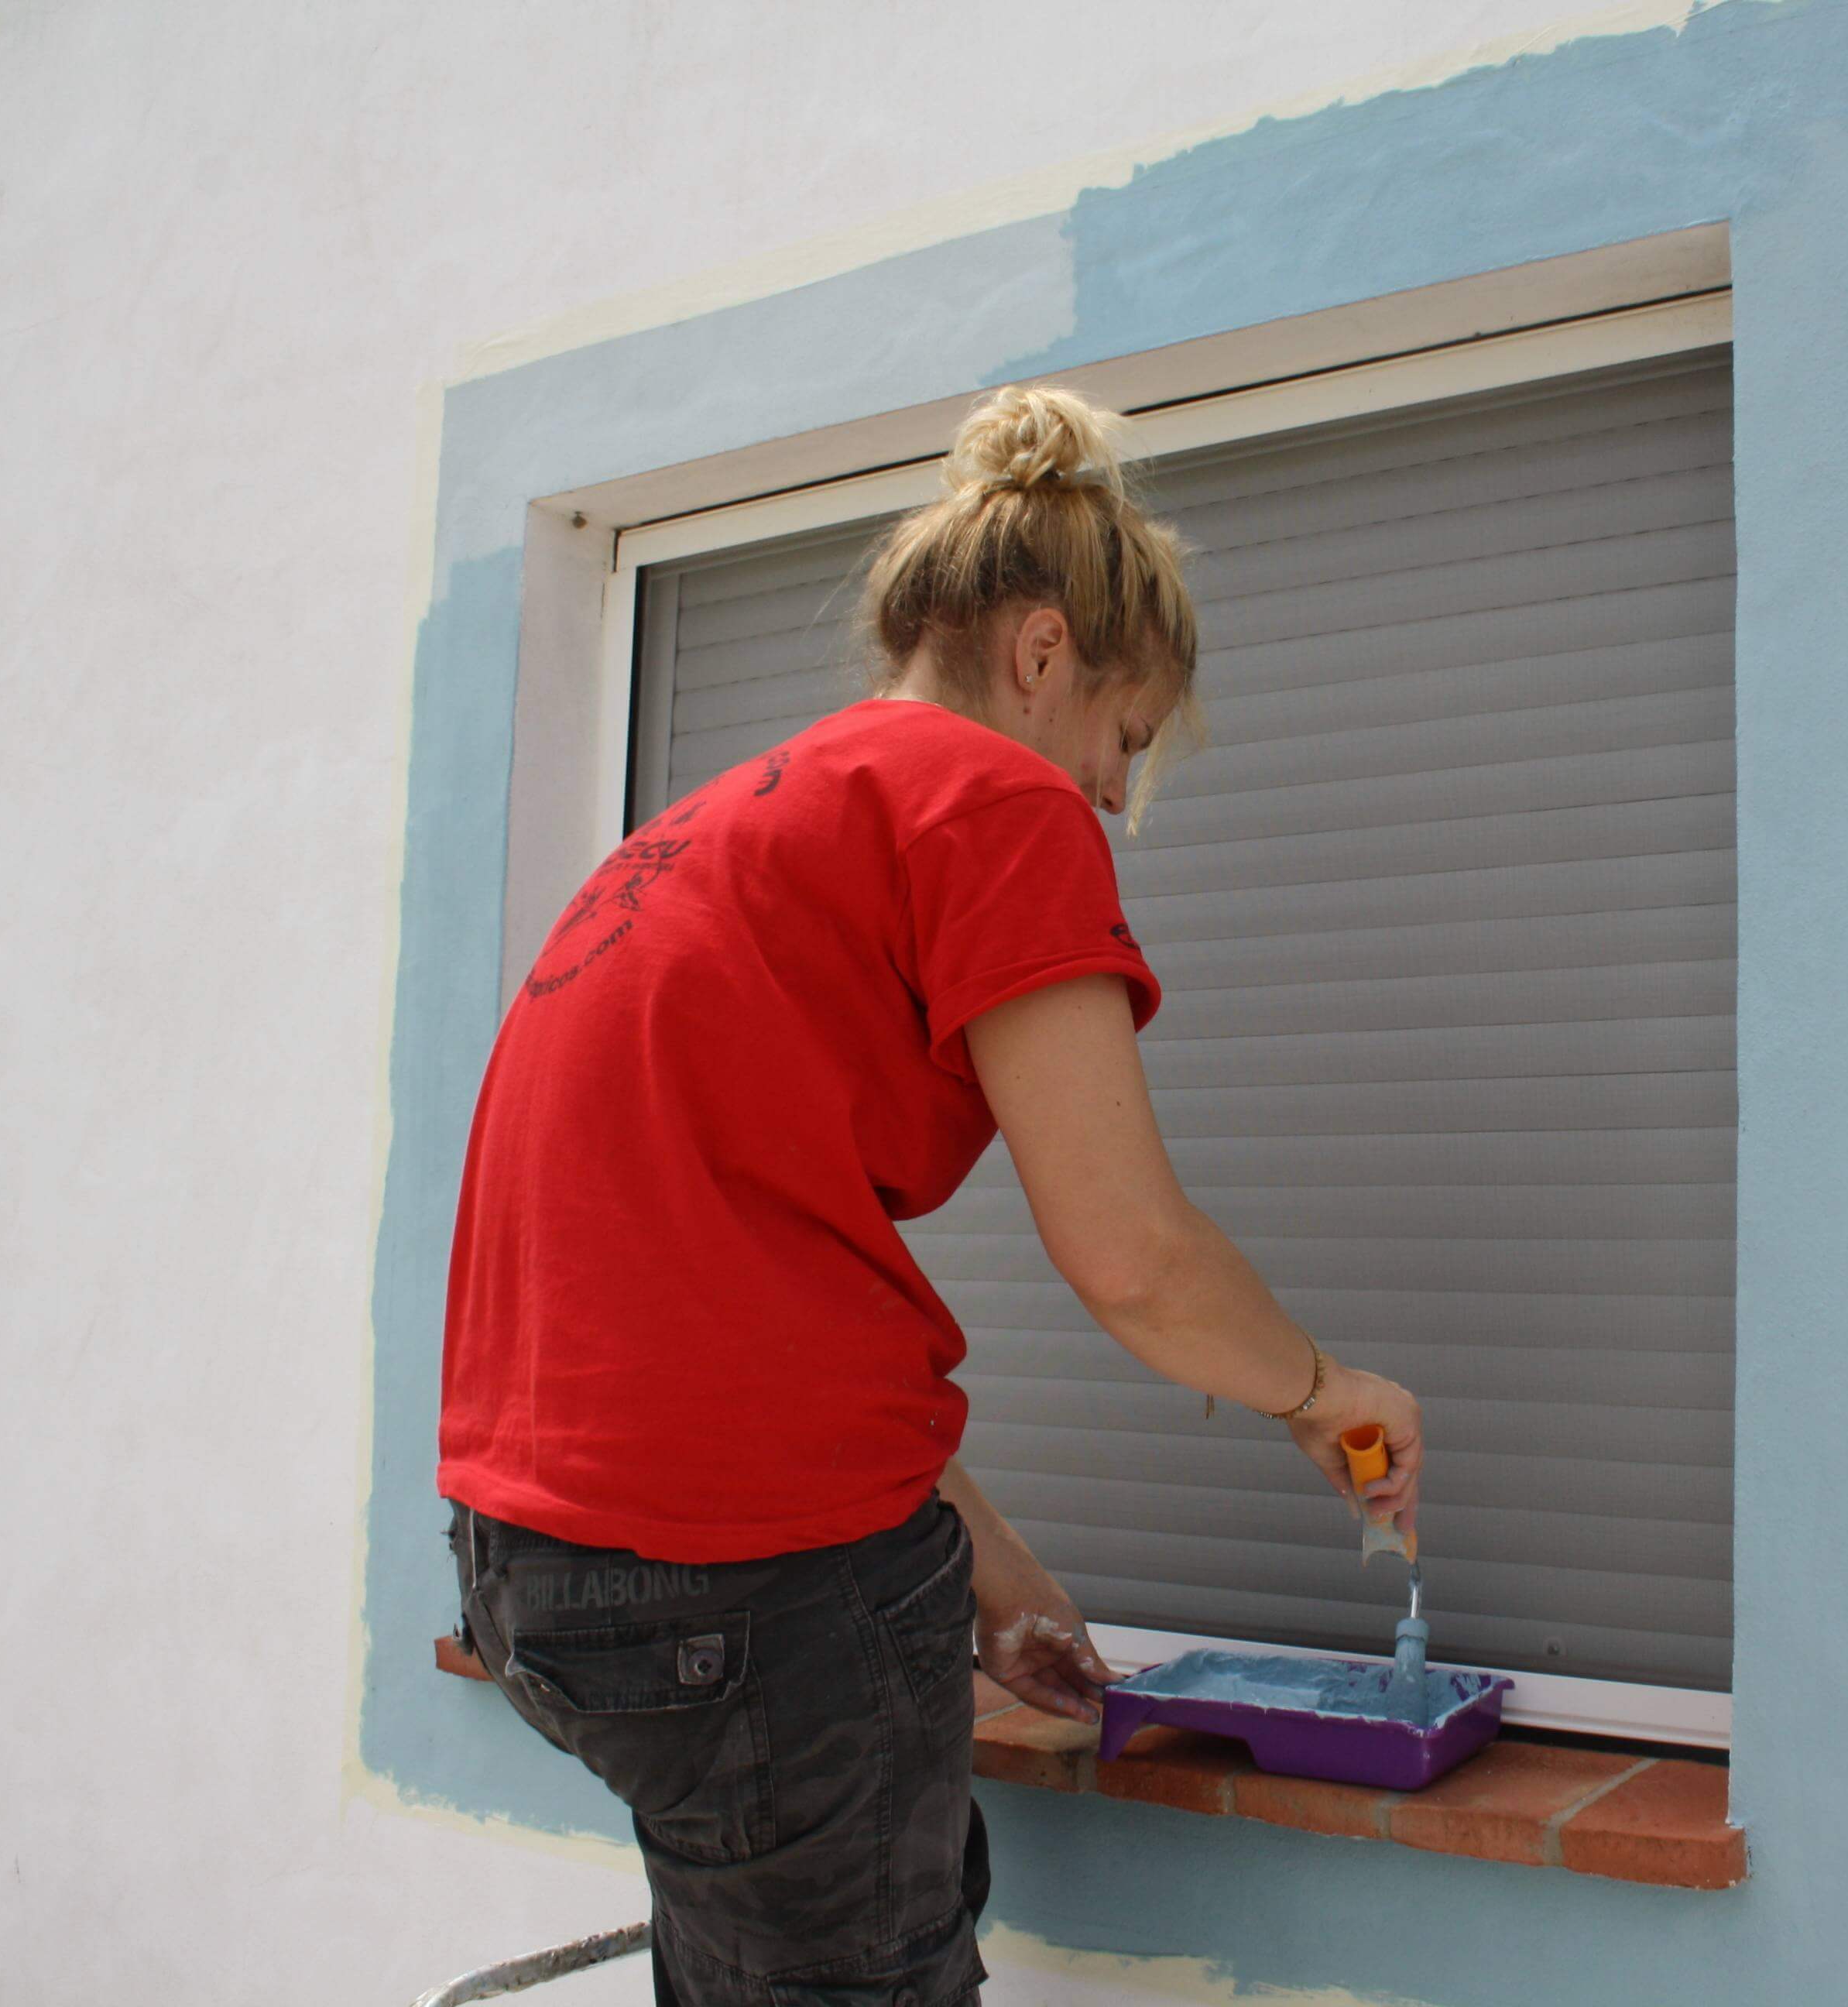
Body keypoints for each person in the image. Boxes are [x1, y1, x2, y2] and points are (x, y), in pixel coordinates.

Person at [437, 383, 1425, 2007]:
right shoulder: (993, 798)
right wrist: (1324, 1392)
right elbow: (1133, 1257)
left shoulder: (715, 828)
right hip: (747, 1597)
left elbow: (735, 1293)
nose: (1111, 797)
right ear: (1042, 653)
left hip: (537, 1568)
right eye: (1125, 740)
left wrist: (987, 1573)